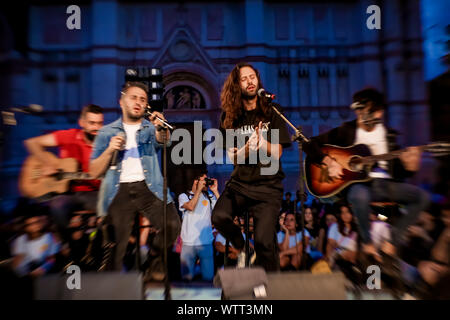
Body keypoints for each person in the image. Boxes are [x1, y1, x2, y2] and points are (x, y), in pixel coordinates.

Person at [303, 88, 429, 261]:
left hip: (385, 185)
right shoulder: (346, 132)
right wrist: (327, 161)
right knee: (359, 194)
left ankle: (391, 242)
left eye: (379, 110)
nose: (377, 115)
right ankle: (368, 244)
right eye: (372, 110)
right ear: (359, 110)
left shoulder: (389, 135)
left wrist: (410, 167)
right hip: (358, 185)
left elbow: (398, 171)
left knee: (422, 197)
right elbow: (309, 144)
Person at [89, 81, 181, 279]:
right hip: (118, 190)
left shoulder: (149, 128)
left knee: (172, 224)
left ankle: (155, 257)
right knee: (116, 247)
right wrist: (109, 150)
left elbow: (164, 141)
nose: (138, 102)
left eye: (143, 99)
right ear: (121, 102)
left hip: (148, 188)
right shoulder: (106, 132)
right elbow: (93, 172)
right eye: (133, 98)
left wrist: (160, 127)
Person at [212, 62, 291, 271]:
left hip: (268, 186)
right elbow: (232, 156)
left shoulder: (271, 111)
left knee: (266, 242)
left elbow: (278, 152)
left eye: (252, 77)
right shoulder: (228, 116)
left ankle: (270, 290)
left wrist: (262, 143)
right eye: (244, 78)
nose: (250, 81)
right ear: (237, 85)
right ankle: (245, 248)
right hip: (240, 184)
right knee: (218, 216)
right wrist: (247, 148)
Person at [23, 104, 104, 233]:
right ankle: (69, 245)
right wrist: (47, 163)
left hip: (94, 193)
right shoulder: (69, 136)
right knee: (57, 206)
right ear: (81, 123)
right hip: (68, 193)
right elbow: (32, 143)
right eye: (92, 123)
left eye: (100, 123)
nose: (97, 128)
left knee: (112, 207)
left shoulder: (105, 144)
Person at [178, 173, 220, 281]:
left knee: (208, 278)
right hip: (188, 243)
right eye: (203, 180)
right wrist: (198, 191)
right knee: (186, 279)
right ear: (196, 182)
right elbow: (191, 207)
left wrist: (215, 191)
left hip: (206, 243)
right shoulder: (184, 196)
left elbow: (221, 210)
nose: (205, 183)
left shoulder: (210, 197)